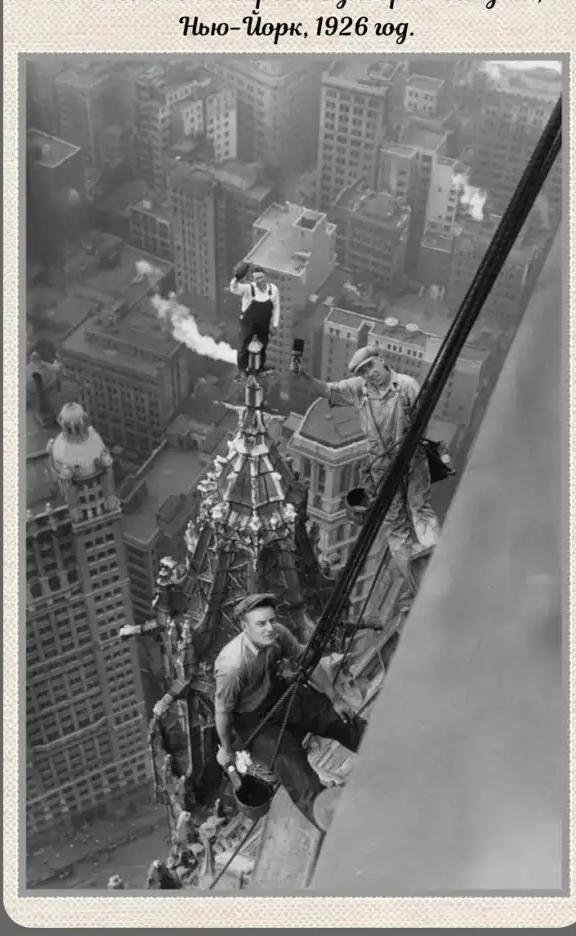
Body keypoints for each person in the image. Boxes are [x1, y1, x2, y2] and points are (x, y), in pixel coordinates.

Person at [294, 346, 440, 599]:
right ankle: (417, 583)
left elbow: (422, 421)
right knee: (396, 526)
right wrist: (302, 376)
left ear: (381, 361)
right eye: (363, 371)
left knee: (419, 508)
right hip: (382, 467)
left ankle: (436, 563)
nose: (369, 374)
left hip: (411, 460)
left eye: (370, 366)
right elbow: (327, 390)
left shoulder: (406, 386)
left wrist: (407, 444)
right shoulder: (359, 389)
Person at [214, 593, 366, 830]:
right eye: (261, 624)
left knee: (340, 720)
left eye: (272, 620)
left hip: (281, 694)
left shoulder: (279, 634)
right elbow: (223, 712)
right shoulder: (232, 665)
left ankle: (385, 750)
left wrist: (335, 700)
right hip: (256, 721)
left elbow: (307, 661)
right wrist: (226, 750)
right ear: (245, 627)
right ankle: (337, 827)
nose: (270, 628)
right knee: (297, 775)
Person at [229, 265, 280, 375]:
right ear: (253, 279)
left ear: (265, 276)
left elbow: (276, 307)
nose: (259, 280)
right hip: (248, 322)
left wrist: (275, 325)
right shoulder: (248, 288)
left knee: (263, 344)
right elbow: (233, 288)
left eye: (261, 277)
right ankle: (242, 370)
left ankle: (260, 366)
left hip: (264, 322)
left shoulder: (273, 290)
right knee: (244, 345)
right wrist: (237, 278)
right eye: (256, 278)